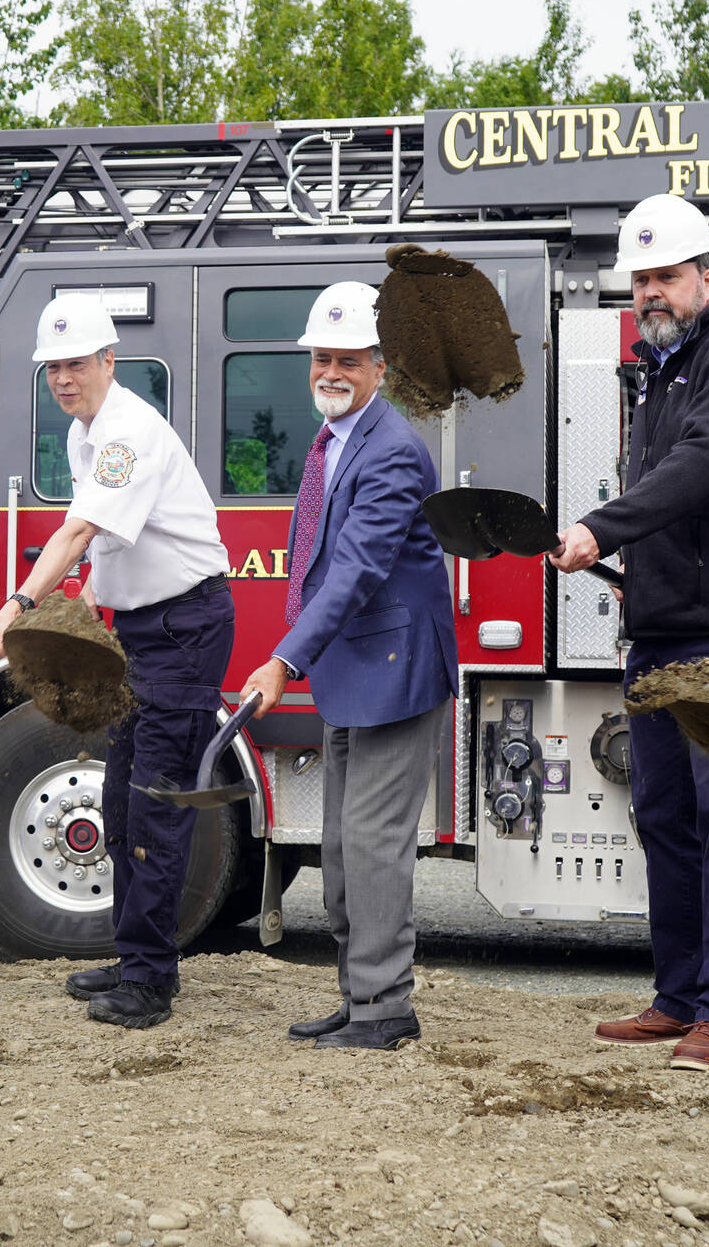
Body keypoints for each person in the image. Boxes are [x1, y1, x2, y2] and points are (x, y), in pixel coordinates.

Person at [551, 193, 709, 1071]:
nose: (651, 292)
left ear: (707, 277)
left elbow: (701, 471)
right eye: (640, 280)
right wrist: (622, 575)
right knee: (662, 812)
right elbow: (668, 503)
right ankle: (680, 995)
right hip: (661, 632)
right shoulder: (656, 372)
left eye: (666, 276)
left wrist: (600, 527)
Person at [0, 293, 233, 1030]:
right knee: (120, 799)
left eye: (77, 363)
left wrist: (18, 608)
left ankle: (151, 982)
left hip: (185, 624)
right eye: (53, 367)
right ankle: (135, 955)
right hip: (146, 627)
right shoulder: (84, 436)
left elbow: (80, 528)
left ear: (108, 362)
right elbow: (112, 545)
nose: (63, 378)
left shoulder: (125, 434)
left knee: (155, 804)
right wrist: (83, 605)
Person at [236, 282, 457, 1052]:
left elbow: (358, 569)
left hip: (396, 674)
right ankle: (358, 991)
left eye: (347, 360)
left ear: (380, 367)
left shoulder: (392, 451)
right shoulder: (334, 441)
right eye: (320, 358)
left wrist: (283, 658)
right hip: (353, 671)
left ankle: (385, 1007)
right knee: (338, 848)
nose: (329, 371)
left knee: (371, 844)